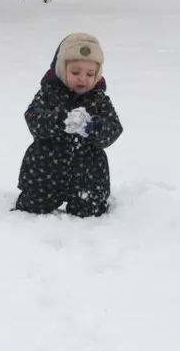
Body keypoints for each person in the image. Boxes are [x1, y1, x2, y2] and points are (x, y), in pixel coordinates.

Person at [15, 33, 123, 217]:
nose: (83, 79)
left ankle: (88, 208)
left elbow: (113, 128)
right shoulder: (48, 94)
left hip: (88, 173)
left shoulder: (99, 100)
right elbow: (33, 118)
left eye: (90, 74)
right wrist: (59, 120)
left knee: (90, 211)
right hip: (45, 171)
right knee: (31, 210)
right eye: (75, 72)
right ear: (61, 69)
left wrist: (92, 126)